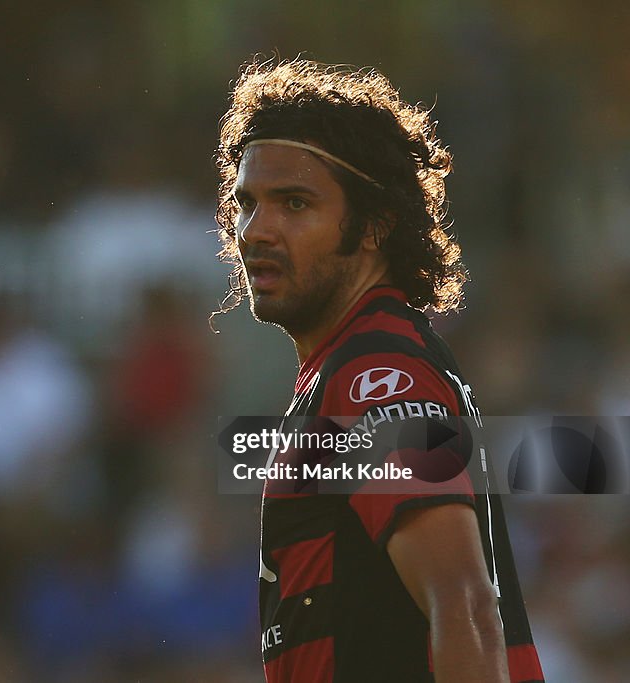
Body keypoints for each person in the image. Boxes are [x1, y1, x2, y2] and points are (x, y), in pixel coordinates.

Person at [213, 58, 545, 682]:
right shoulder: (349, 366)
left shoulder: (378, 373)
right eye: (247, 203)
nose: (256, 230)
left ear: (374, 226)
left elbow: (467, 607)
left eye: (294, 203)